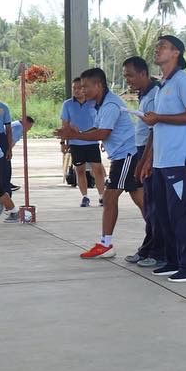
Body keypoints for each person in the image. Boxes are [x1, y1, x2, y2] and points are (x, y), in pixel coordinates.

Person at [137, 35, 186, 283]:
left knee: (181, 215)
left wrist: (160, 118)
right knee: (163, 215)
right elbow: (157, 126)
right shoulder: (163, 86)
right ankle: (174, 260)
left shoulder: (183, 82)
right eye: (157, 47)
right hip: (161, 161)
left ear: (176, 53)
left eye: (163, 47)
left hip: (178, 160)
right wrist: (149, 159)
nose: (157, 50)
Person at [57, 67, 138, 260]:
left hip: (126, 155)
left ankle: (106, 244)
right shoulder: (100, 105)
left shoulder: (110, 105)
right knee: (141, 200)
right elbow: (98, 129)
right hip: (122, 155)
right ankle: (159, 240)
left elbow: (103, 134)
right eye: (80, 87)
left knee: (109, 199)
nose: (82, 90)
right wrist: (77, 135)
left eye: (85, 87)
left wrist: (76, 135)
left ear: (98, 85)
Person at [122, 57, 163, 268]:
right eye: (125, 75)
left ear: (143, 73)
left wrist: (146, 159)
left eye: (130, 75)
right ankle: (147, 248)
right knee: (149, 204)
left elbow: (155, 129)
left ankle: (157, 252)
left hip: (150, 151)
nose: (128, 80)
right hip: (141, 149)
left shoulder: (156, 94)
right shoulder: (146, 93)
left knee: (154, 206)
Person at [60, 76, 106, 207]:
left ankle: (102, 196)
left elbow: (101, 123)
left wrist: (103, 139)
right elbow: (65, 125)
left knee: (97, 169)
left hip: (92, 141)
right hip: (76, 143)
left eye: (80, 88)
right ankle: (85, 197)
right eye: (74, 88)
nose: (77, 90)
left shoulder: (93, 103)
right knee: (79, 170)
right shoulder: (67, 104)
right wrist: (63, 143)